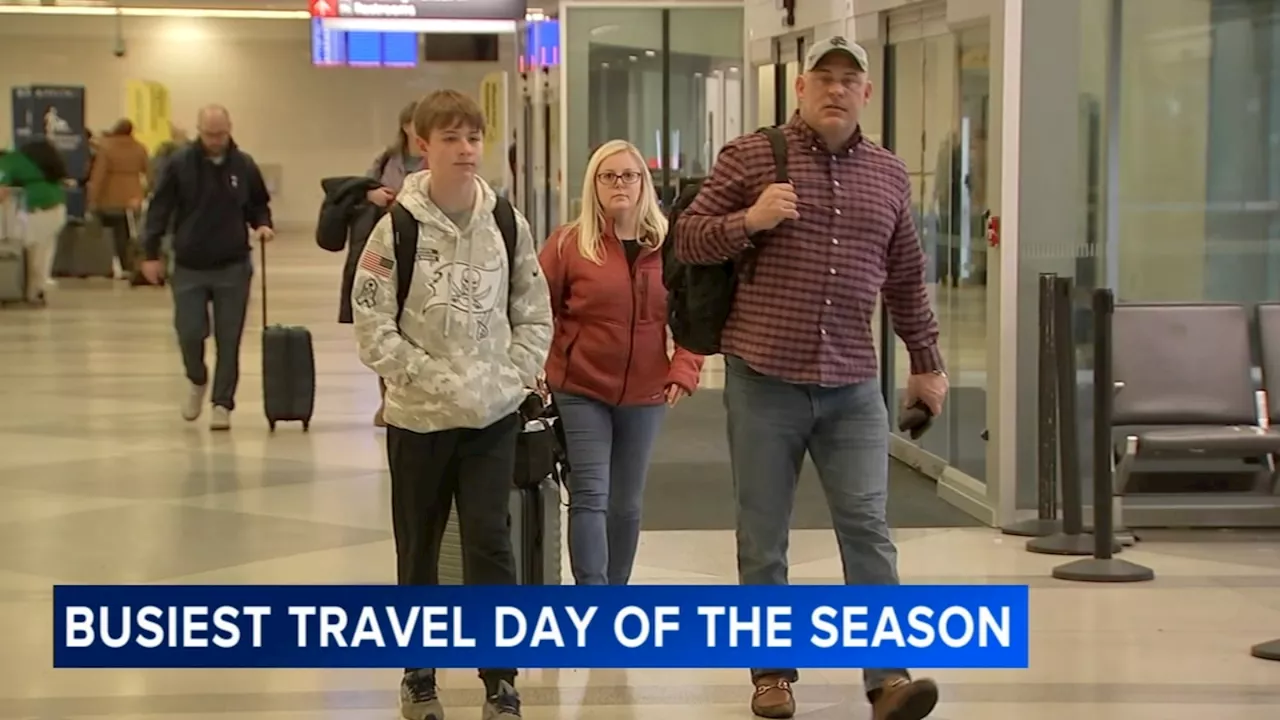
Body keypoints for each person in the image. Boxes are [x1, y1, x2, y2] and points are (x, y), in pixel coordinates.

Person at [673, 37, 949, 720]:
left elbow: (907, 277)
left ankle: (887, 679)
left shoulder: (889, 173)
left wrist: (927, 362)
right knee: (763, 533)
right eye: (822, 78)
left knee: (868, 527)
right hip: (764, 377)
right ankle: (771, 674)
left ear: (866, 93)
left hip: (854, 383)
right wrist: (749, 220)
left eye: (848, 79)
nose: (835, 90)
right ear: (799, 88)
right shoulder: (750, 156)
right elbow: (686, 238)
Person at [350, 89, 552, 720]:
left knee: (493, 545)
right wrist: (431, 379)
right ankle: (419, 673)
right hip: (418, 421)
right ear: (422, 145)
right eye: (451, 139)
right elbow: (372, 323)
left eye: (473, 138)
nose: (466, 151)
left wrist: (513, 377)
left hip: (492, 418)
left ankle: (499, 678)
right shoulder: (397, 227)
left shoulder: (506, 222)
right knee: (420, 545)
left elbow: (533, 309)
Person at [539, 139, 703, 586]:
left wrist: (684, 368)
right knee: (591, 494)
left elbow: (694, 315)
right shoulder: (568, 244)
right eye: (608, 176)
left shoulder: (671, 246)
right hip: (580, 388)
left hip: (645, 393)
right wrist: (536, 367)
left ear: (643, 184)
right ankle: (593, 599)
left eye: (629, 175)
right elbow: (535, 310)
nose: (620, 184)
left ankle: (616, 595)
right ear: (594, 184)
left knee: (626, 503)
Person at [141, 104, 274, 431]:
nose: (216, 140)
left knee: (229, 339)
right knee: (189, 331)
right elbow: (159, 209)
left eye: (221, 134)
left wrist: (262, 225)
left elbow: (258, 203)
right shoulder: (179, 164)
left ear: (230, 129)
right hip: (189, 264)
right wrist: (150, 254)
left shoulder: (243, 165)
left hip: (233, 264)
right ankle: (196, 378)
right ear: (199, 130)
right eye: (209, 134)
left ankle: (222, 403)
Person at [340, 100, 423, 427]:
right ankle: (386, 398)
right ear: (405, 126)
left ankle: (410, 395)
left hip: (421, 251)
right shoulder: (387, 159)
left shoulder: (438, 159)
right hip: (386, 249)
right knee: (384, 324)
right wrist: (374, 195)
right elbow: (362, 189)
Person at [0, 138, 68, 306]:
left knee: (31, 251)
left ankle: (31, 292)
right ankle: (35, 290)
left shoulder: (8, 162)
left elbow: (1, 190)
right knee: (44, 252)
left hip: (34, 210)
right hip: (57, 208)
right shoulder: (35, 161)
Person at [88, 118, 151, 279]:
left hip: (109, 196)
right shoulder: (139, 148)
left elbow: (99, 176)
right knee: (129, 233)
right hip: (133, 196)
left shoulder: (106, 148)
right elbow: (151, 174)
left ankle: (108, 266)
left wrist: (92, 199)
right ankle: (129, 265)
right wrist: (144, 194)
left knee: (107, 233)